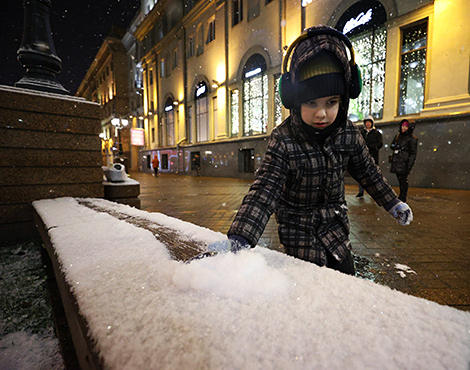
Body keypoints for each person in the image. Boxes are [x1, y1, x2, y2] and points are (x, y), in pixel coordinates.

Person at [207, 26, 413, 275]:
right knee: (307, 289)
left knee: (344, 280)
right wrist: (240, 238)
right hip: (298, 233)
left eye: (331, 102)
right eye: (311, 102)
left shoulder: (347, 133)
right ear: (293, 100)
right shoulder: (284, 140)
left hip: (336, 230)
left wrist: (393, 203)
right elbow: (264, 191)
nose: (321, 113)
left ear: (345, 99)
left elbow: (368, 172)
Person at [390, 119, 418, 202]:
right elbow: (392, 145)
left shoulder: (412, 139)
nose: (403, 128)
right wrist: (395, 146)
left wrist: (409, 165)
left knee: (403, 180)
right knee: (400, 179)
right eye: (403, 126)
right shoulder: (398, 135)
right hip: (397, 160)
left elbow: (413, 153)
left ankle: (403, 196)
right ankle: (401, 196)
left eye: (406, 126)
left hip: (404, 162)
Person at [356, 115, 383, 198]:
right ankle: (361, 191)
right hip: (362, 157)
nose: (368, 124)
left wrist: (370, 146)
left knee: (373, 176)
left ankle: (374, 192)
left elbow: (380, 144)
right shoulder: (361, 133)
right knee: (361, 175)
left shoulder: (376, 133)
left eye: (369, 122)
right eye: (366, 122)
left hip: (372, 156)